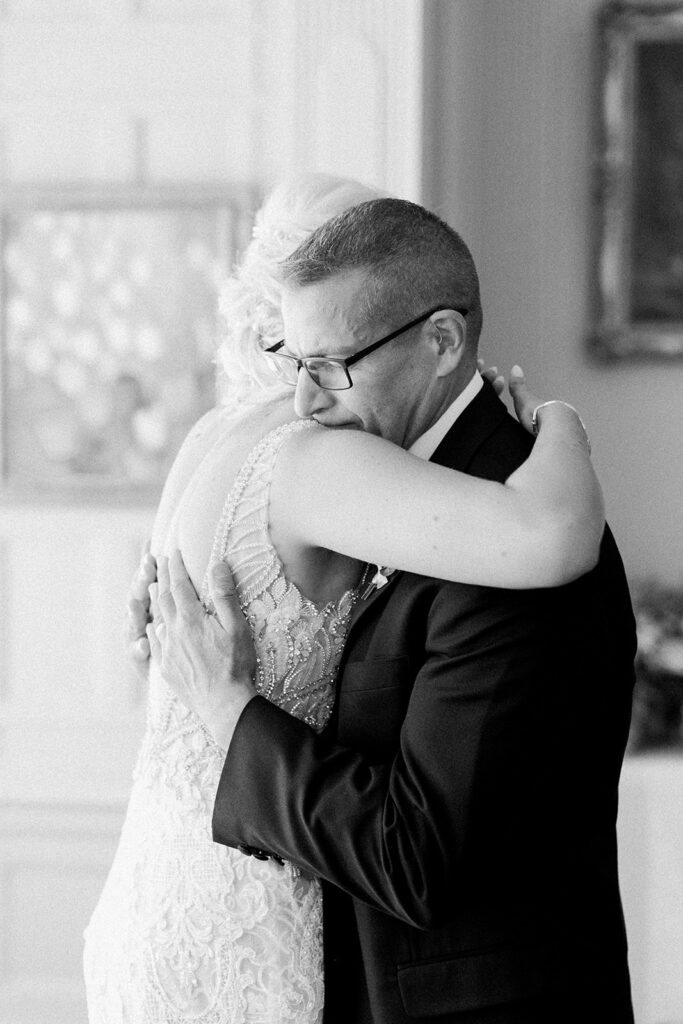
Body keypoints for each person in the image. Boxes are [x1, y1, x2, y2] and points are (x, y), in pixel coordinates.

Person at [91, 180, 615, 1024]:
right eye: (294, 360)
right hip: (250, 935)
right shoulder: (349, 466)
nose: (305, 400)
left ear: (442, 340)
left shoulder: (487, 501)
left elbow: (417, 856)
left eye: (331, 365)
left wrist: (226, 709)